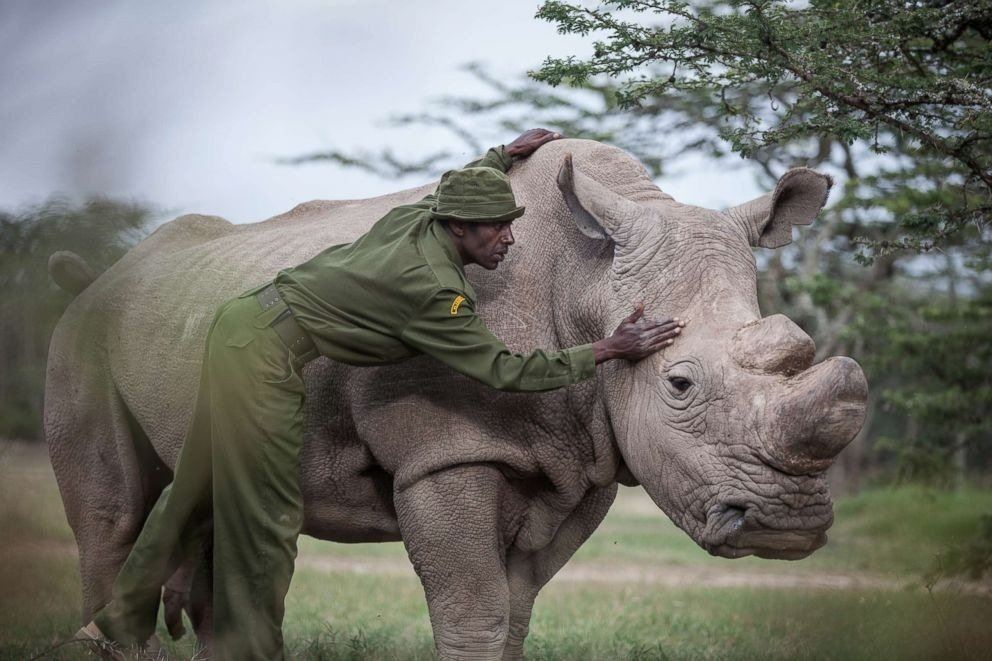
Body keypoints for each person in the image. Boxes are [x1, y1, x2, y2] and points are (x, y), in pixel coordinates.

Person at [76, 129, 684, 660]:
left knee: (194, 489)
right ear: (461, 228)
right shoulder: (437, 292)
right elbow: (504, 370)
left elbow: (448, 186)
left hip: (240, 325)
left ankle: (113, 624)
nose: (509, 240)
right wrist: (609, 348)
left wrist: (503, 155)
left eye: (511, 225)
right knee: (268, 518)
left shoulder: (414, 221)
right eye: (498, 228)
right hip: (262, 361)